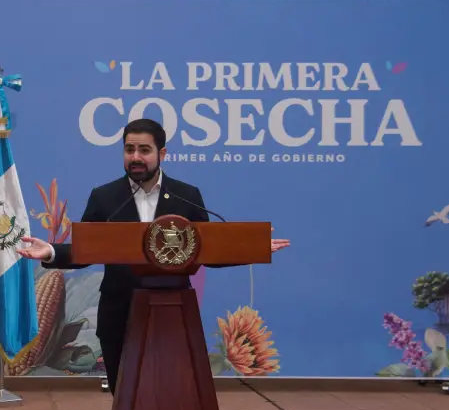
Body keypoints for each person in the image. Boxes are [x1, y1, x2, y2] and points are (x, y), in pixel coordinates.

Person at [18, 118, 290, 392]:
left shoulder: (186, 195)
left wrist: (250, 248)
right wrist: (52, 251)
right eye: (129, 149)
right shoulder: (105, 197)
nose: (135, 157)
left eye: (144, 150)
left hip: (171, 313)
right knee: (124, 395)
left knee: (172, 394)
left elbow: (207, 250)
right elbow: (87, 249)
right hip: (119, 314)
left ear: (162, 154)